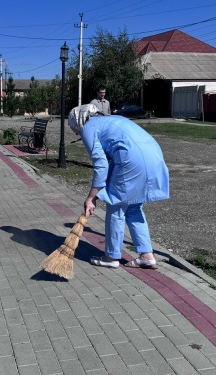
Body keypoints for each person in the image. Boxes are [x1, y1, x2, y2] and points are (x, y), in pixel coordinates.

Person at [68, 104, 169, 269]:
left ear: (77, 121)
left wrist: (91, 198)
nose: (77, 134)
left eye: (75, 131)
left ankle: (111, 257)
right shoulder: (112, 119)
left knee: (116, 207)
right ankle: (147, 256)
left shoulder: (87, 128)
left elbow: (101, 166)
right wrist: (99, 191)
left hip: (131, 160)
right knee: (134, 207)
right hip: (154, 156)